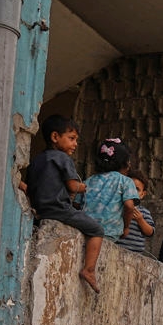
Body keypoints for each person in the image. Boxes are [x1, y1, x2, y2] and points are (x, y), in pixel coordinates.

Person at [23, 114, 104, 291]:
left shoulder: (37, 160)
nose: (75, 144)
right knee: (97, 230)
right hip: (58, 209)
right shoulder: (62, 158)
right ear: (55, 137)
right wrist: (83, 187)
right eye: (72, 138)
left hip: (40, 209)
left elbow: (27, 187)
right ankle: (89, 269)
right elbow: (72, 185)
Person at [81, 138, 140, 242]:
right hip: (109, 232)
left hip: (84, 229)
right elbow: (129, 206)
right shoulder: (126, 181)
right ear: (125, 163)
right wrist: (126, 227)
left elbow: (76, 204)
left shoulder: (88, 181)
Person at [115, 172, 154, 255]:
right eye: (129, 187)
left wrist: (140, 220)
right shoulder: (117, 208)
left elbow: (150, 232)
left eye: (137, 189)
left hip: (136, 254)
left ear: (142, 194)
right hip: (116, 249)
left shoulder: (144, 212)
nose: (132, 191)